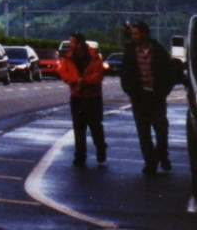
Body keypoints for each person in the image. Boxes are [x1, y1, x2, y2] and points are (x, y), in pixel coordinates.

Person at [120, 20, 175, 175]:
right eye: (133, 34)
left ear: (145, 34)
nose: (134, 37)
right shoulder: (130, 51)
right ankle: (150, 163)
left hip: (156, 98)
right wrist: (131, 91)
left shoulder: (159, 51)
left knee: (161, 131)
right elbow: (125, 74)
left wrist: (162, 93)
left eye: (136, 34)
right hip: (139, 98)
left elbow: (168, 75)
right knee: (144, 134)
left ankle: (162, 156)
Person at [58, 32, 107, 166]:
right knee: (79, 127)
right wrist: (76, 81)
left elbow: (98, 75)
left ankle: (100, 149)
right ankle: (80, 155)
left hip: (92, 97)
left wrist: (83, 82)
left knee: (95, 125)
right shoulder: (68, 57)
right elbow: (64, 74)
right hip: (77, 97)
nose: (70, 45)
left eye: (72, 42)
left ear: (79, 44)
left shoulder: (94, 57)